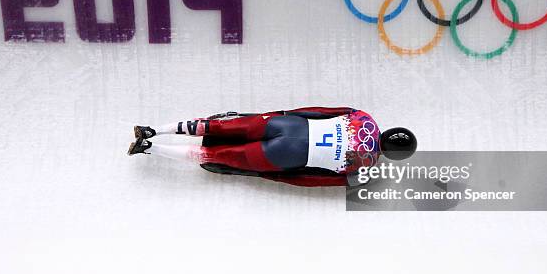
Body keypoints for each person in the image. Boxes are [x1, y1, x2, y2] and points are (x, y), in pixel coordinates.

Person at [128, 107, 416, 187]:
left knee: (218, 127)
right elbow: (316, 180)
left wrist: (286, 113)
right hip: (281, 157)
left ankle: (155, 129)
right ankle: (149, 148)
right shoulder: (363, 167)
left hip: (286, 126)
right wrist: (279, 176)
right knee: (216, 156)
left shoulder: (362, 117)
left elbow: (319, 111)